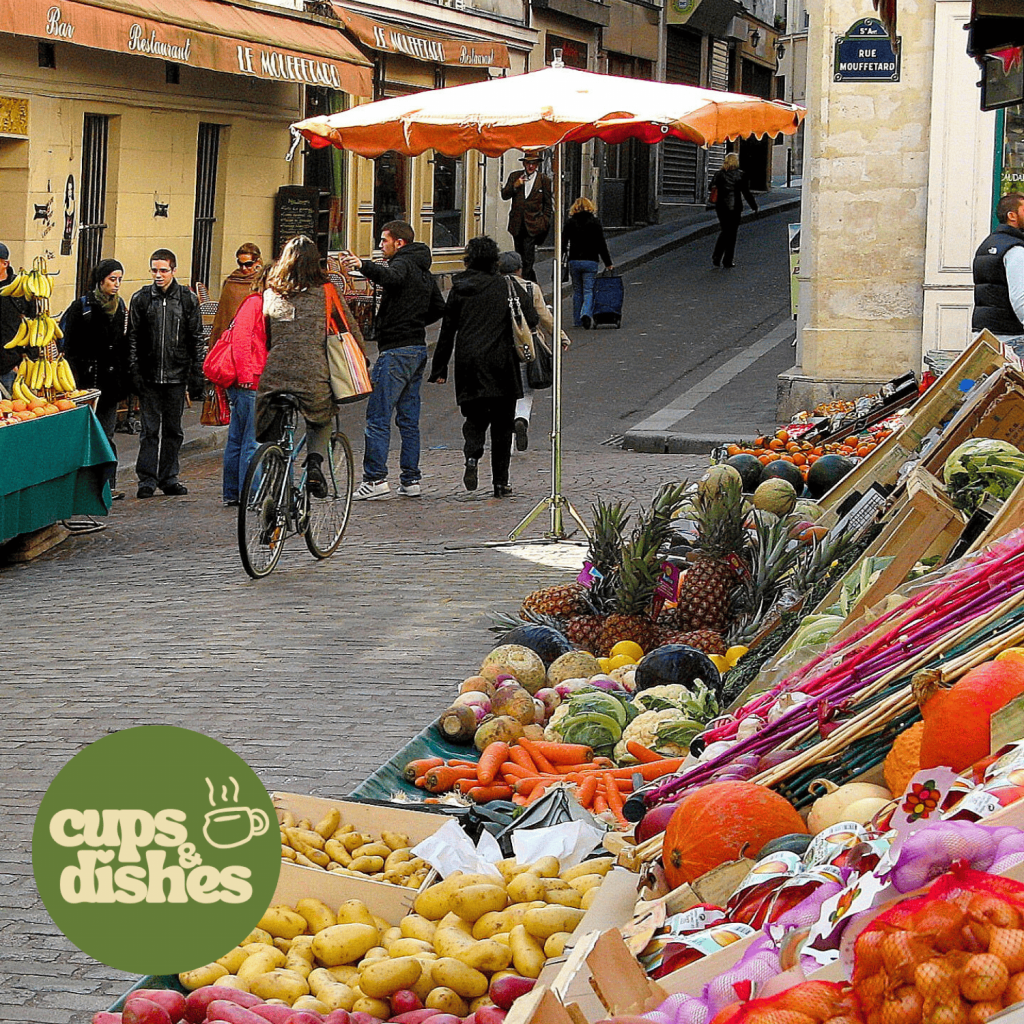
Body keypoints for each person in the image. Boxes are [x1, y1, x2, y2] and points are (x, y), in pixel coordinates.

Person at [339, 221, 445, 501]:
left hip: (396, 349)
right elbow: (438, 307)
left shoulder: (403, 264)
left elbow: (391, 277)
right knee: (408, 420)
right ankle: (411, 480)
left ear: (399, 243)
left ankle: (375, 479)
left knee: (378, 417)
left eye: (384, 240)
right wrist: (413, 320)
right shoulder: (422, 269)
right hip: (416, 348)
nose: (380, 245)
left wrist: (363, 265)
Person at [429, 236, 538, 498]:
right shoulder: (506, 286)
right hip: (502, 363)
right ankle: (501, 482)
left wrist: (439, 368)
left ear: (469, 259)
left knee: (475, 418)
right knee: (502, 425)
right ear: (494, 260)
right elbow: (531, 317)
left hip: (469, 363)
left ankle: (472, 455)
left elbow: (447, 331)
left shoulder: (459, 289)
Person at [256, 236, 340, 500]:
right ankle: (314, 464)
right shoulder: (326, 292)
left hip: (275, 374)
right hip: (312, 374)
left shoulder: (271, 292)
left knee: (271, 425)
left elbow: (266, 335)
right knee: (322, 418)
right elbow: (347, 329)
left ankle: (273, 471)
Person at [127, 248, 205, 499]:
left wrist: (197, 371)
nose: (158, 275)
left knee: (173, 430)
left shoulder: (186, 299)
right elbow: (133, 336)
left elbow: (196, 336)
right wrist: (134, 369)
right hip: (149, 374)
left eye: (163, 270)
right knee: (149, 430)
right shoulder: (141, 299)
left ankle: (169, 477)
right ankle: (147, 479)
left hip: (176, 373)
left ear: (173, 270)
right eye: (154, 270)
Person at [62, 258, 129, 499]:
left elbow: (122, 344)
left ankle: (107, 486)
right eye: (112, 279)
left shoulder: (120, 307)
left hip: (110, 385)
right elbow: (69, 347)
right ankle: (82, 486)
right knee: (85, 435)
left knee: (106, 435)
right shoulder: (82, 307)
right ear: (101, 281)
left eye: (119, 279)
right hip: (86, 384)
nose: (116, 284)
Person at [497, 250, 569, 453]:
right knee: (526, 390)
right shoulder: (531, 288)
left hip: (500, 347)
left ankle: (507, 446)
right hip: (527, 346)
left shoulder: (494, 288)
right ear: (520, 269)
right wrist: (561, 336)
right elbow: (545, 318)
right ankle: (521, 418)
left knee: (504, 394)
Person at [219, 266, 269, 508]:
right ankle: (252, 494)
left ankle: (233, 492)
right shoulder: (255, 303)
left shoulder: (256, 303)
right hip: (250, 380)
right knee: (251, 441)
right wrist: (246, 374)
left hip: (246, 379)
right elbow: (241, 338)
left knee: (238, 439)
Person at [972, 192, 1024, 354]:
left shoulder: (987, 244)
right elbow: (1020, 298)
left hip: (986, 334)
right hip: (1011, 338)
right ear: (1012, 216)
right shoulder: (1015, 249)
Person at [500, 151, 553, 282]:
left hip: (533, 224)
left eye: (533, 163)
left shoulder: (543, 180)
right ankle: (526, 280)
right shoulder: (515, 176)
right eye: (528, 163)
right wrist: (515, 186)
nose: (530, 166)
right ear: (524, 163)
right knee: (519, 255)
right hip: (517, 223)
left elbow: (548, 203)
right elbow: (504, 195)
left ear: (537, 165)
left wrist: (544, 221)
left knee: (528, 256)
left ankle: (526, 281)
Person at [561, 197, 613, 329]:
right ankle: (586, 313)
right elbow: (601, 244)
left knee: (577, 291)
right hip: (591, 260)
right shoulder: (595, 222)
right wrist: (608, 263)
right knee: (588, 290)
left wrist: (561, 256)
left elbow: (563, 242)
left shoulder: (570, 222)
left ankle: (577, 320)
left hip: (574, 260)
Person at [710, 152, 758, 269]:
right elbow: (746, 192)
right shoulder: (741, 175)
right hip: (735, 207)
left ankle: (717, 256)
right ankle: (727, 260)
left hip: (721, 207)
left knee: (725, 231)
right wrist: (754, 206)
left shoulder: (719, 174)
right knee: (732, 234)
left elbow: (711, 187)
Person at [209, 243, 262, 347]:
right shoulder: (231, 281)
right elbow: (222, 316)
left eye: (248, 264)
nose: (244, 268)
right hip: (230, 339)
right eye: (240, 264)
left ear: (257, 262)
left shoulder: (262, 282)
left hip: (254, 338)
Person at [0, 242, 31, 395]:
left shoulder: (19, 290)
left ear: (5, 264)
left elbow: (33, 327)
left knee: (11, 408)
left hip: (9, 366)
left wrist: (24, 361)